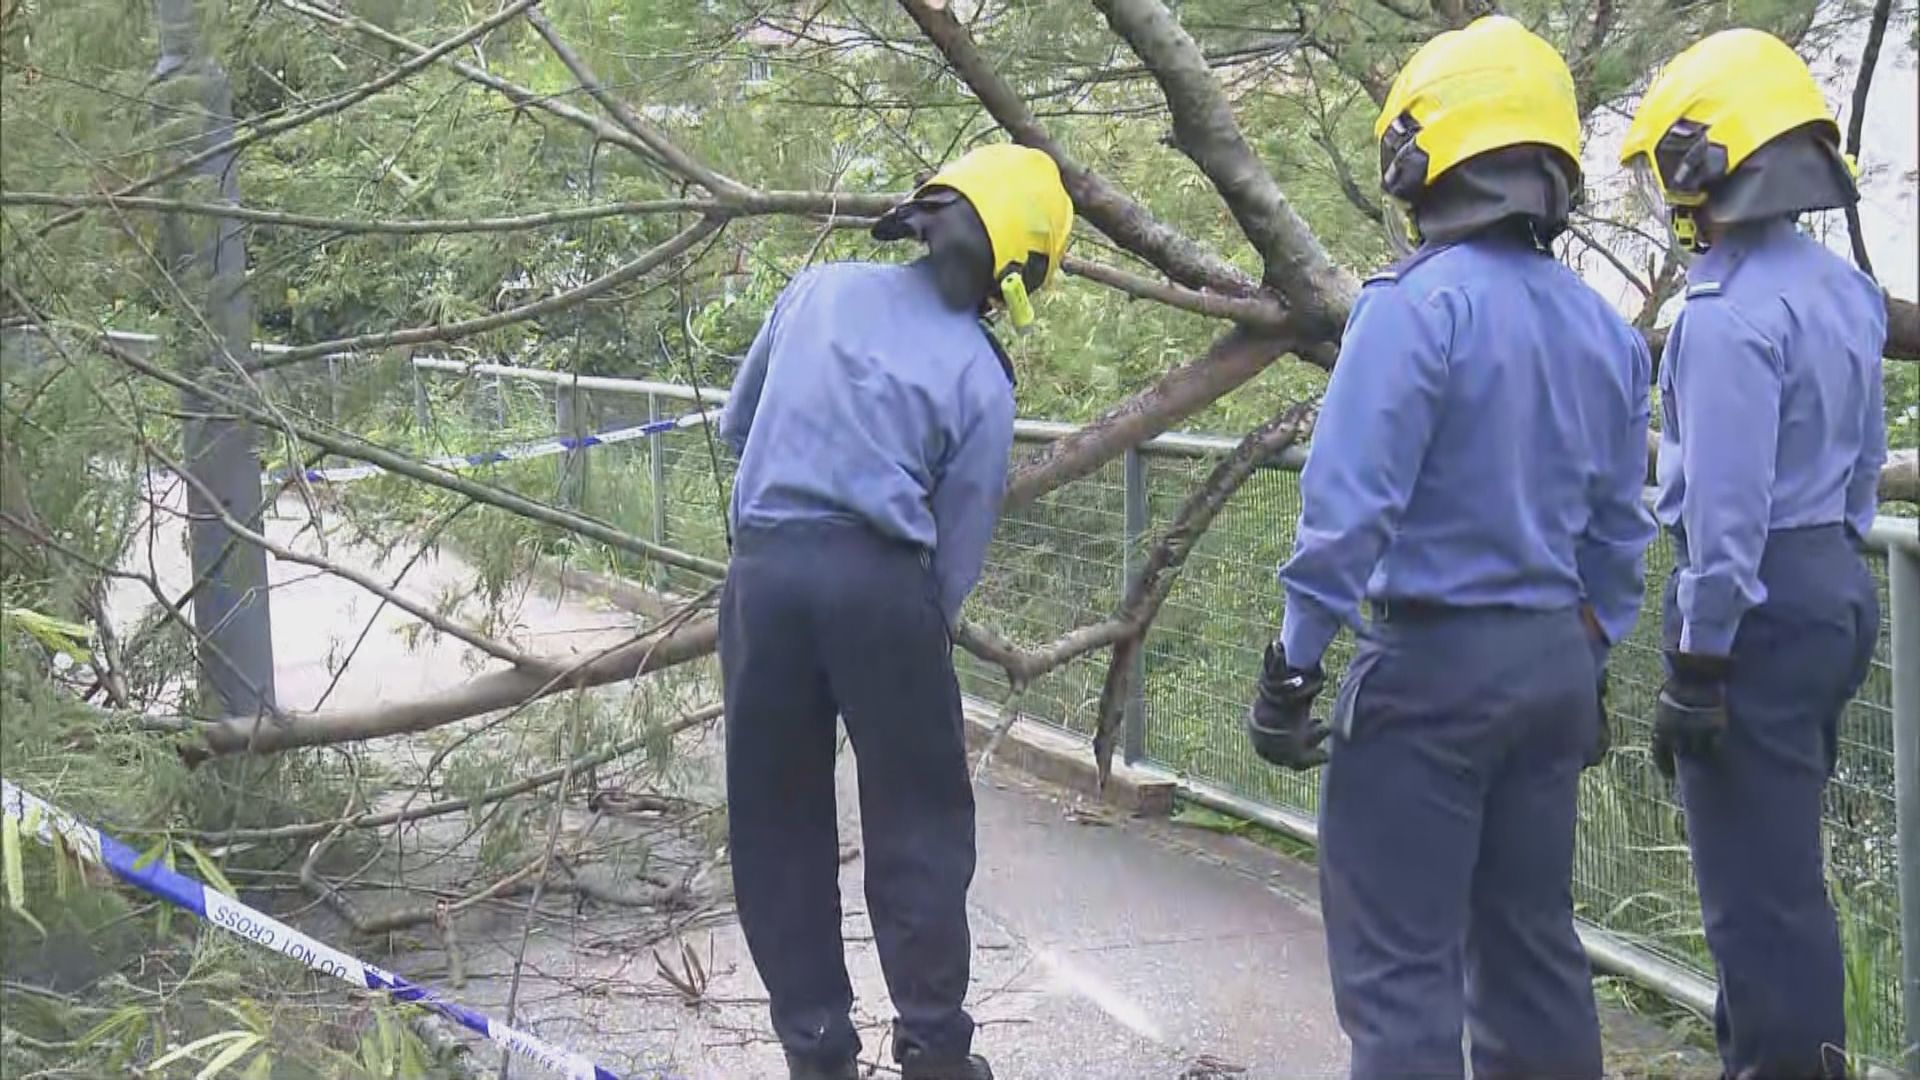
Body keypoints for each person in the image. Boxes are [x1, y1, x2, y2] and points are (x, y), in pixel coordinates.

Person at [1243, 16, 1654, 1079]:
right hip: (1554, 668)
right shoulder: (1606, 332)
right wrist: (1590, 653)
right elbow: (1621, 531)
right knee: (1533, 957)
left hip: (1427, 674)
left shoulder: (1411, 310)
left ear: (1425, 160)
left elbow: (1347, 516)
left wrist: (1292, 666)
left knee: (1400, 976)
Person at [715, 143, 1072, 1080]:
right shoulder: (983, 374)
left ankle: (816, 1050)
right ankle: (934, 1050)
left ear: (923, 218)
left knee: (776, 817)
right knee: (917, 816)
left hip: (766, 569)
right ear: (1015, 277)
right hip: (883, 587)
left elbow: (737, 426)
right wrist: (914, 633)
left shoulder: (819, 290)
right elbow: (959, 544)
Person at [1620, 29, 1885, 1078]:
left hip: (1754, 608)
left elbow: (1725, 521)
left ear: (1703, 161)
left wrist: (1699, 660)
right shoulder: (1843, 293)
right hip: (1832, 585)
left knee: (1754, 902)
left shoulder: (1723, 318)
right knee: (1786, 878)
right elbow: (1862, 470)